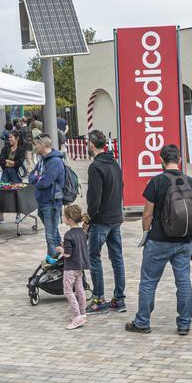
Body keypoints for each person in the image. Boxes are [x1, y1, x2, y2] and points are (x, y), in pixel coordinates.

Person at [125, 144, 192, 335]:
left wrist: (145, 234)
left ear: (161, 160)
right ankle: (184, 324)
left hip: (159, 240)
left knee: (149, 281)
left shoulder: (156, 182)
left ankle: (142, 322)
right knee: (183, 281)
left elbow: (147, 214)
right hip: (184, 241)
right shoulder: (190, 181)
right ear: (179, 160)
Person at [84, 129, 126, 314]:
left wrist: (88, 219)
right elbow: (121, 187)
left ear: (92, 145)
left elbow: (94, 198)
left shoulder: (95, 167)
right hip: (115, 217)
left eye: (87, 143)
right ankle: (119, 299)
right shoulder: (114, 163)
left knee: (94, 257)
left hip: (101, 220)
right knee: (117, 258)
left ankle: (99, 299)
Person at [28, 134, 67, 266]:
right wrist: (38, 178)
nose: (35, 147)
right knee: (54, 232)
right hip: (44, 201)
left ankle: (52, 261)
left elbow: (44, 182)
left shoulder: (55, 162)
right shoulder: (43, 161)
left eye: (37, 144)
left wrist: (38, 178)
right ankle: (60, 257)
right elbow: (31, 177)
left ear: (43, 145)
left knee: (50, 235)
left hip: (51, 203)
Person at [57, 204, 89, 330]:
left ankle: (77, 316)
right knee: (80, 289)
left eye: (64, 216)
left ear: (69, 219)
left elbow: (68, 254)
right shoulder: (82, 232)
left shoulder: (68, 235)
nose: (63, 218)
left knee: (68, 291)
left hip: (70, 267)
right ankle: (83, 313)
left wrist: (61, 249)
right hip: (80, 266)